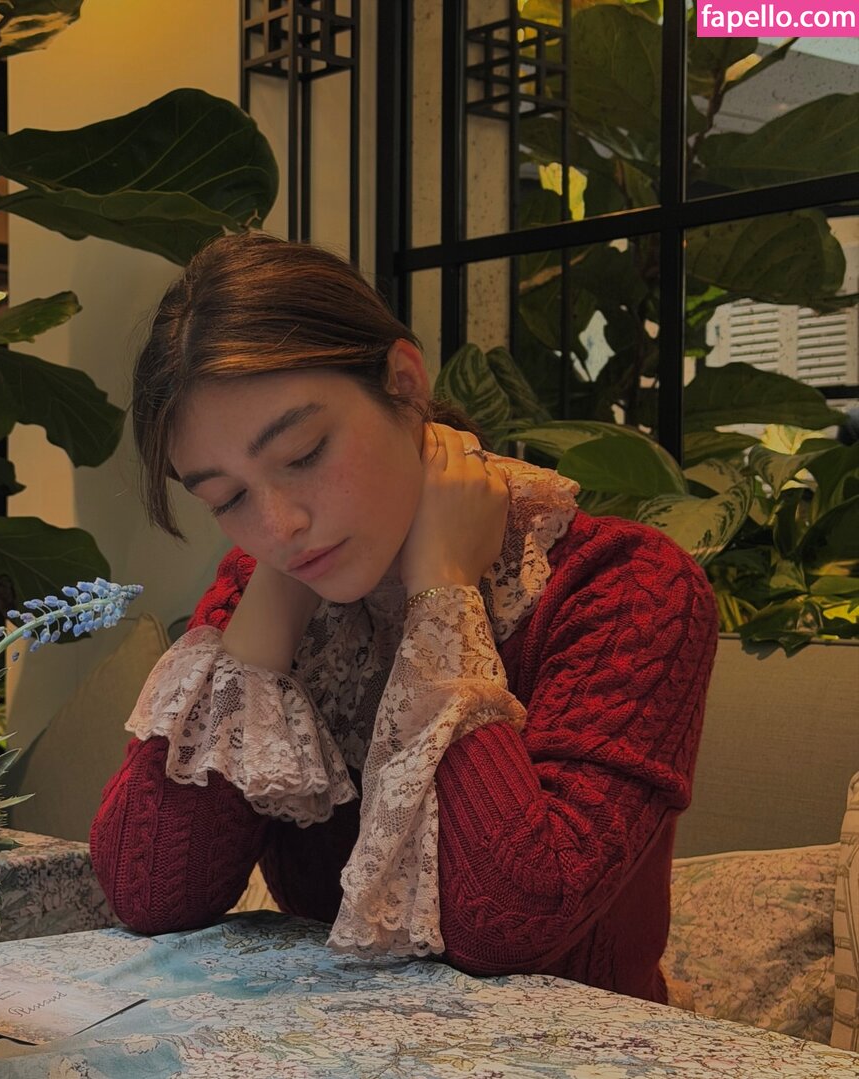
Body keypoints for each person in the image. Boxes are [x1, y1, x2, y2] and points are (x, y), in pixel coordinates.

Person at [90, 231, 719, 1004]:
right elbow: (150, 892)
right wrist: (277, 600)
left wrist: (443, 598)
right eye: (228, 497)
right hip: (323, 1048)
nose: (280, 523)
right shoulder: (267, 583)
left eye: (304, 452)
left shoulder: (624, 587)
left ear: (405, 381)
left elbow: (509, 924)